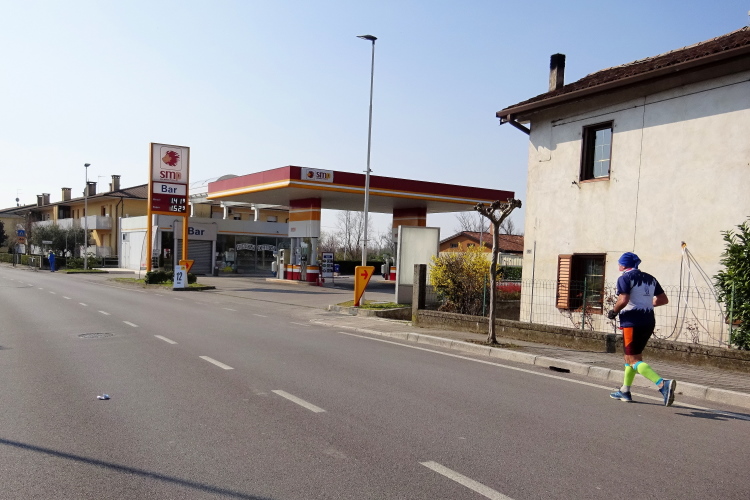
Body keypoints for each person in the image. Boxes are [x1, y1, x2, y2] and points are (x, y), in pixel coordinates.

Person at [608, 252, 676, 406]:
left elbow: (623, 300)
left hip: (632, 322)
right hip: (648, 321)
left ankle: (662, 384)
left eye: (619, 263)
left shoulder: (624, 278)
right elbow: (663, 299)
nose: (618, 265)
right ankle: (625, 390)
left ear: (623, 265)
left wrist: (614, 311)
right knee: (631, 357)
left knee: (633, 359)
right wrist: (645, 304)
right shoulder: (651, 278)